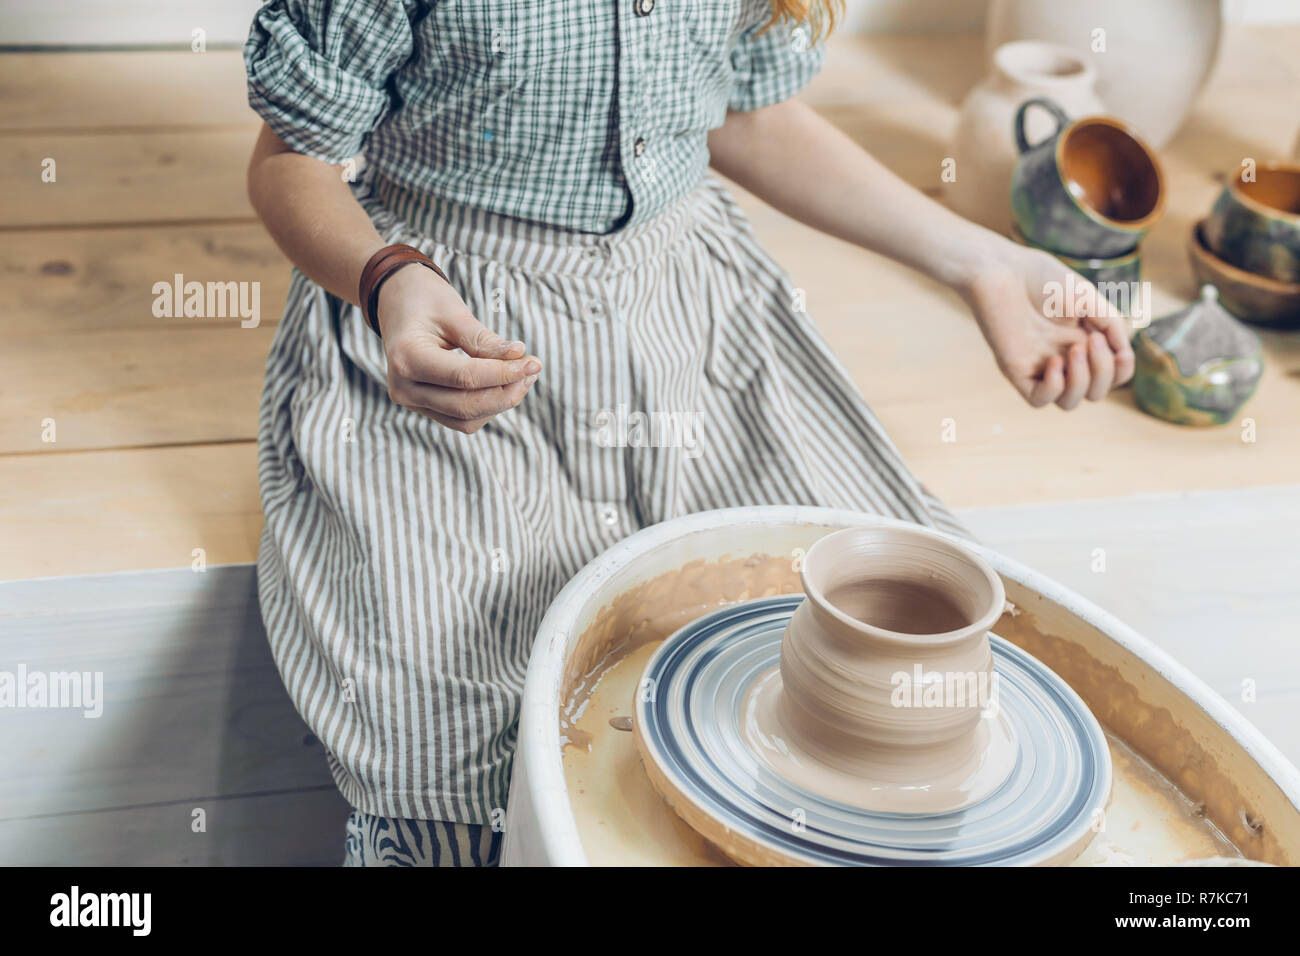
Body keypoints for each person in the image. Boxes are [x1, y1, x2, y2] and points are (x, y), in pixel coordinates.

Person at [243, 0, 1133, 866]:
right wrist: (387, 281)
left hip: (689, 311)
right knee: (450, 718)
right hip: (449, 323)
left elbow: (741, 115)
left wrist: (980, 259)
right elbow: (292, 165)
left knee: (881, 620)